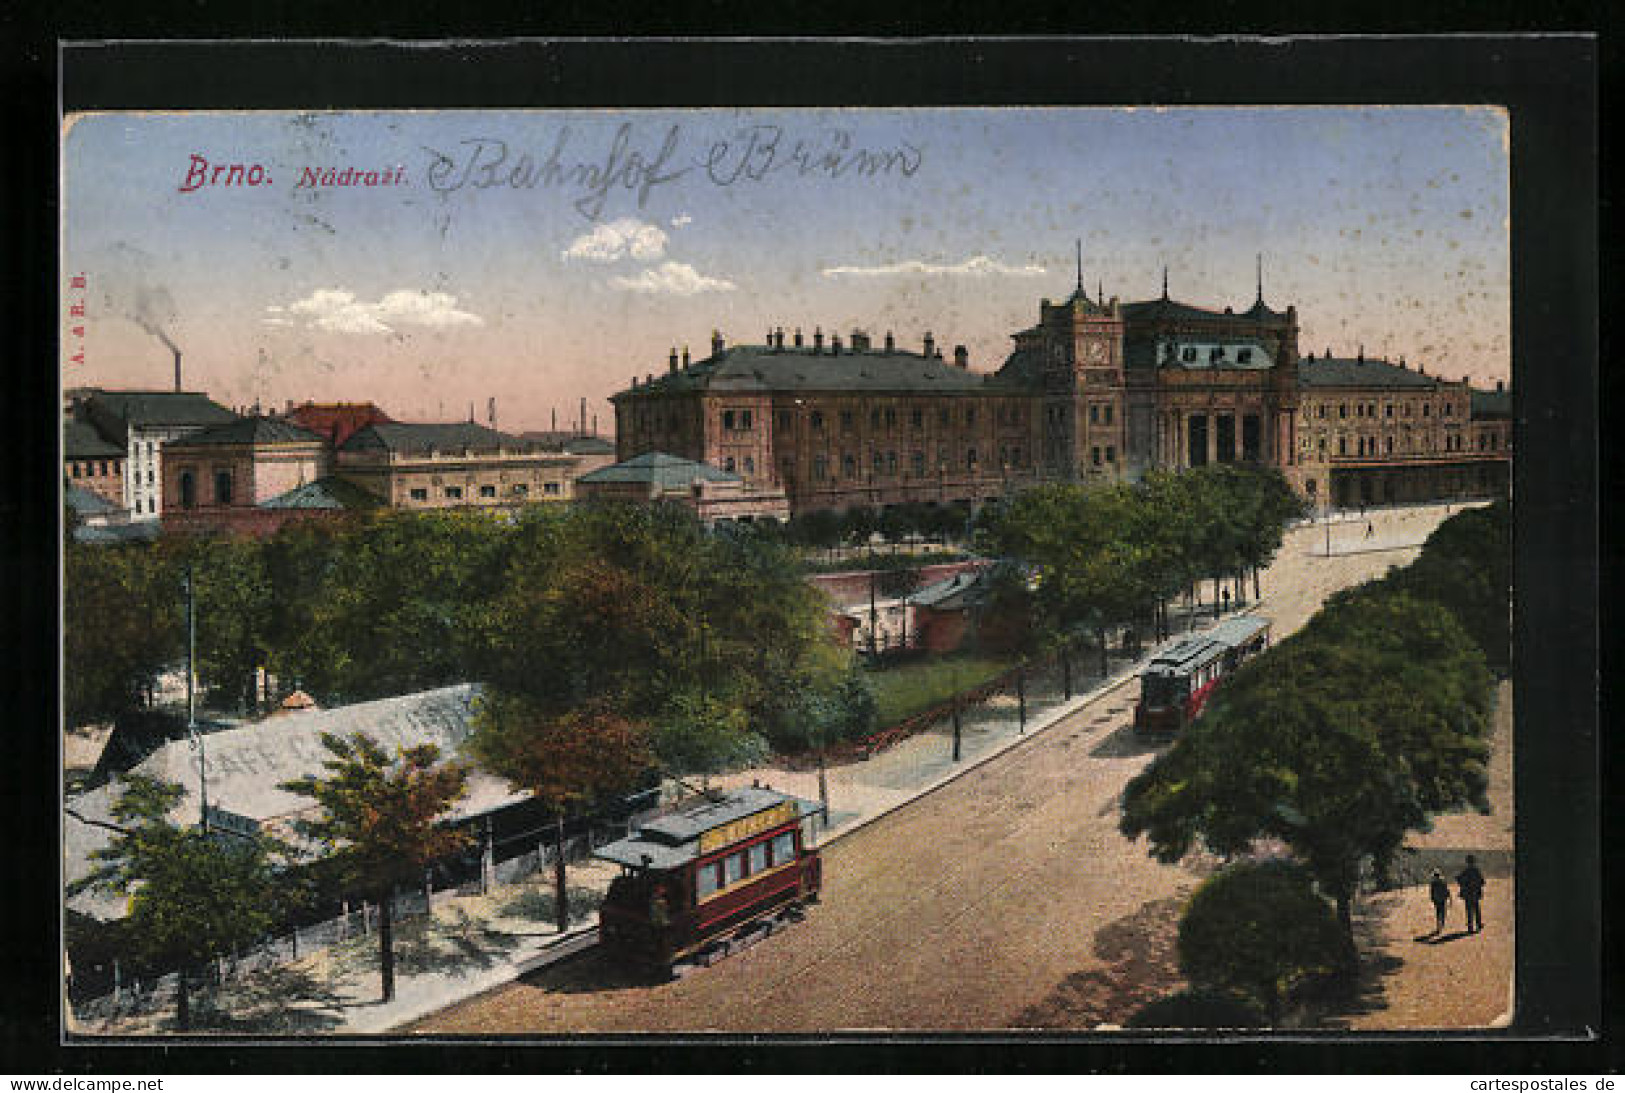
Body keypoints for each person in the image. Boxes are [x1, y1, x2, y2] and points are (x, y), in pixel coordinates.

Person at [1456, 855, 1486, 933]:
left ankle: (1470, 927)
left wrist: (1459, 879)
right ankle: (1478, 925)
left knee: (1469, 910)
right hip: (1475, 893)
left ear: (1467, 862)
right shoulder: (1476, 871)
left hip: (1468, 894)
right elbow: (1482, 882)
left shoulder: (1465, 871)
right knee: (1476, 909)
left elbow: (1460, 880)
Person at [1428, 869, 1452, 934]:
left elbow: (1432, 892)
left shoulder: (1433, 883)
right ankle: (1441, 925)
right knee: (1443, 912)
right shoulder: (1443, 882)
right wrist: (1449, 897)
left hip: (1437, 899)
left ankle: (1439, 927)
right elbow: (1447, 890)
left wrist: (1432, 899)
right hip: (1442, 899)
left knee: (1438, 913)